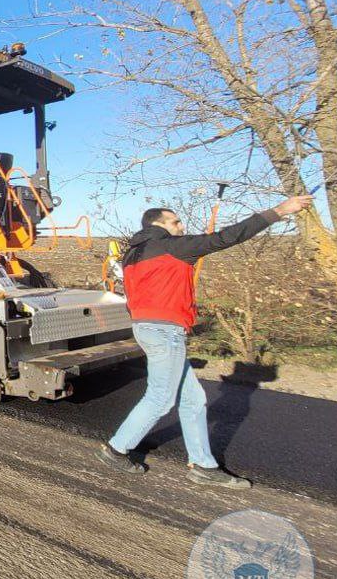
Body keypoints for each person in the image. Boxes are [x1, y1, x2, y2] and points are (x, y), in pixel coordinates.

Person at [96, 194, 314, 488]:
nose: (181, 225)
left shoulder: (133, 253)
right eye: (176, 221)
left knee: (194, 399)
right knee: (160, 399)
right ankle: (117, 449)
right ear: (159, 224)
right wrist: (281, 210)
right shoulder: (171, 247)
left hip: (149, 327)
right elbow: (227, 237)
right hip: (164, 331)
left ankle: (203, 465)